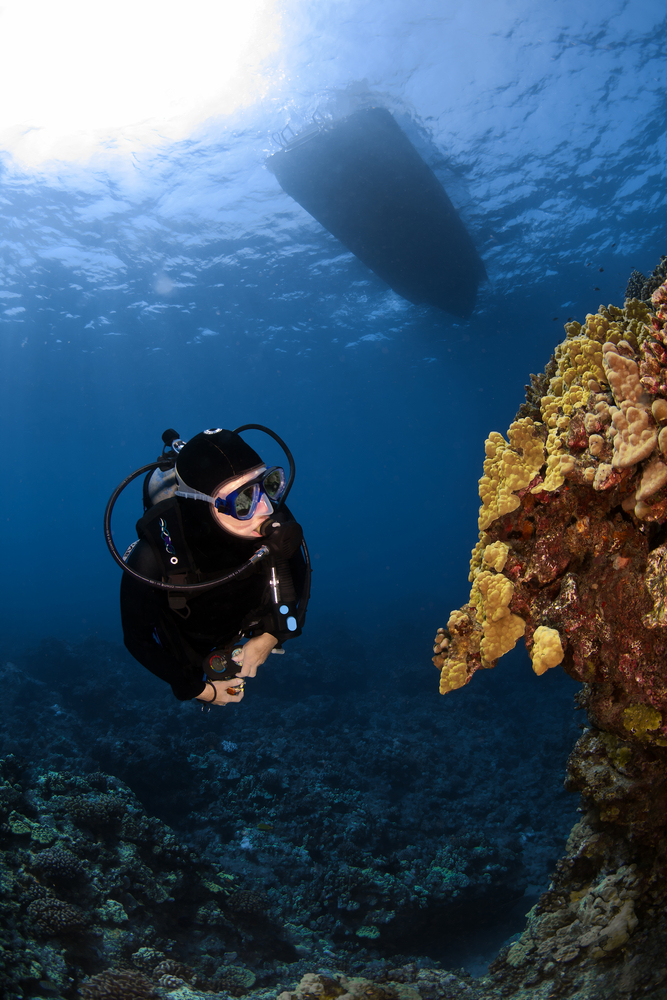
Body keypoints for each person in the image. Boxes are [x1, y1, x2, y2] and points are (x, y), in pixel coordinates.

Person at [114, 426, 309, 706]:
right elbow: (137, 639)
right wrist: (203, 691)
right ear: (202, 506)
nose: (265, 507)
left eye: (268, 483)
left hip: (248, 619)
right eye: (243, 500)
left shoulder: (272, 517)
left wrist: (269, 637)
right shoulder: (152, 555)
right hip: (190, 638)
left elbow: (299, 580)